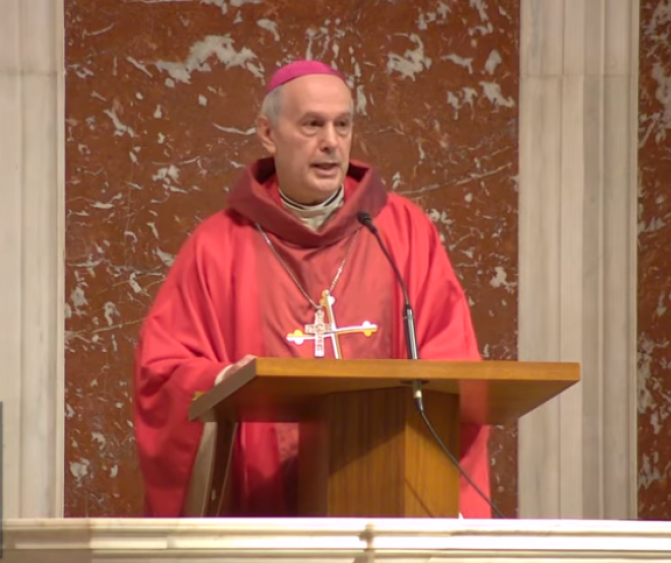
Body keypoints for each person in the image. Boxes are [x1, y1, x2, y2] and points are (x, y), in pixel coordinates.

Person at [132, 59, 492, 518]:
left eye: (342, 125)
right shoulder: (218, 246)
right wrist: (225, 383)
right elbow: (162, 372)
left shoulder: (402, 233)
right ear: (268, 133)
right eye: (312, 125)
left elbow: (453, 360)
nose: (330, 142)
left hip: (384, 499)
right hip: (261, 509)